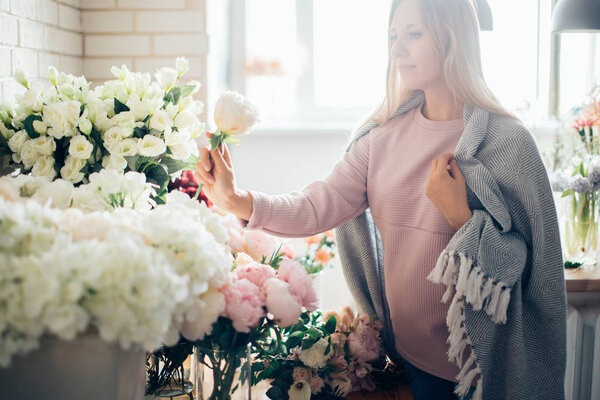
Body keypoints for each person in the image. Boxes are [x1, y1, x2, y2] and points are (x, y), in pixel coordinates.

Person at [194, 0, 567, 399]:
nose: (397, 49)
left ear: (453, 36)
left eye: (414, 34)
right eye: (393, 36)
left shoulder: (509, 143)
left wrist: (462, 216)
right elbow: (318, 204)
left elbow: (534, 270)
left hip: (482, 373)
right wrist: (237, 200)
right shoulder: (380, 138)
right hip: (406, 359)